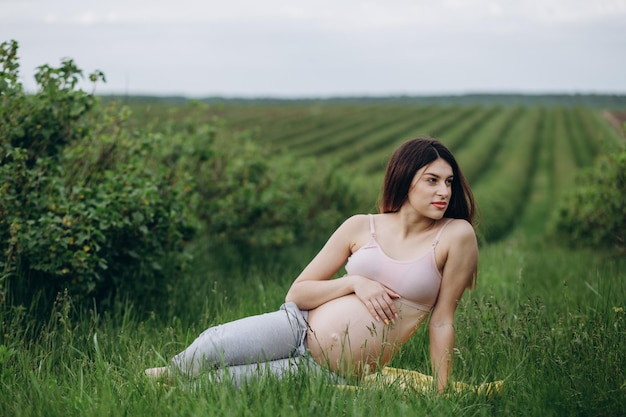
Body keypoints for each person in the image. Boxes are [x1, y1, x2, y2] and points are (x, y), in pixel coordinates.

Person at [145, 137, 478, 392]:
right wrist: (354, 283)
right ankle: (161, 376)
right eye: (432, 180)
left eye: (449, 182)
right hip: (296, 326)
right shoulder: (362, 226)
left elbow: (442, 320)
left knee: (214, 384)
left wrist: (441, 389)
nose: (444, 191)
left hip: (327, 370)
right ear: (405, 179)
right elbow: (298, 293)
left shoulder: (455, 235)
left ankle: (168, 384)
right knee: (209, 345)